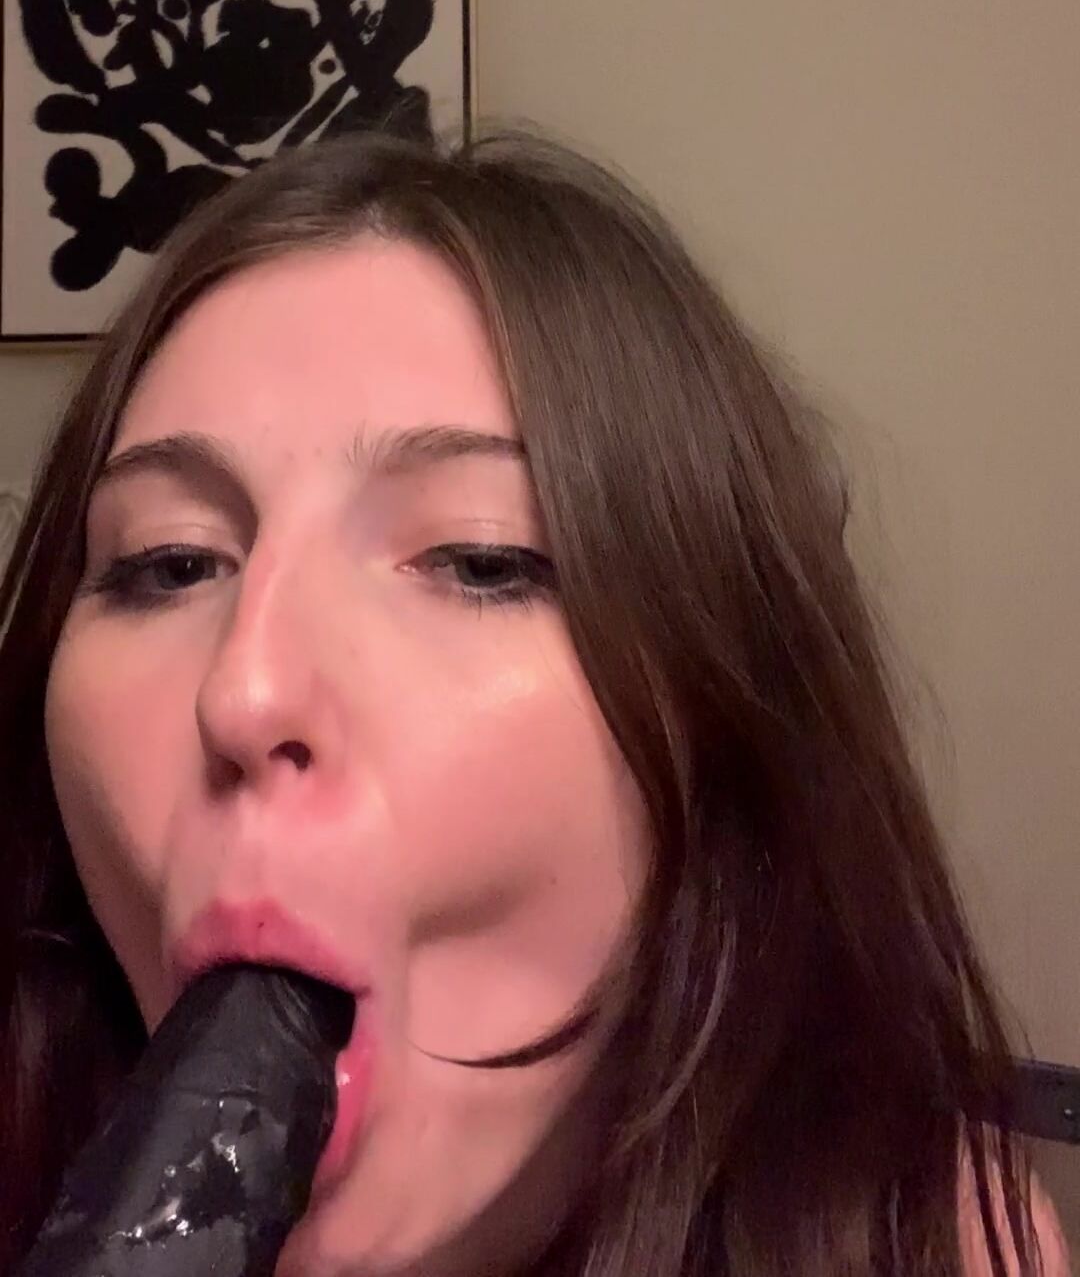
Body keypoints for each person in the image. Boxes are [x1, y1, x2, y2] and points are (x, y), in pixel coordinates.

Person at [0, 130, 1069, 1277]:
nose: (245, 691)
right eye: (167, 562)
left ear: (719, 729)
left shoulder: (924, 1244)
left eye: (480, 558)